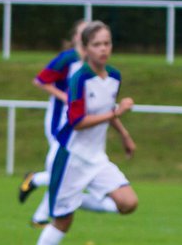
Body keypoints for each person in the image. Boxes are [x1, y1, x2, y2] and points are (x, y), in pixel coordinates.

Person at [19, 20, 137, 245]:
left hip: (96, 158)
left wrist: (124, 134)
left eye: (107, 43)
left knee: (128, 202)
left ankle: (74, 199)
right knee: (63, 222)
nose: (103, 49)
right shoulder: (78, 79)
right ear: (85, 48)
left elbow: (107, 110)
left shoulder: (114, 77)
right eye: (96, 44)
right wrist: (116, 115)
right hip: (71, 158)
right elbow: (78, 121)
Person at [19, 20, 122, 225]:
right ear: (78, 38)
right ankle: (38, 190)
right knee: (64, 170)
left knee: (66, 173)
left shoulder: (97, 68)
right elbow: (40, 80)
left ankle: (39, 209)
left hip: (83, 128)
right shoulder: (68, 59)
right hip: (61, 124)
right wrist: (64, 96)